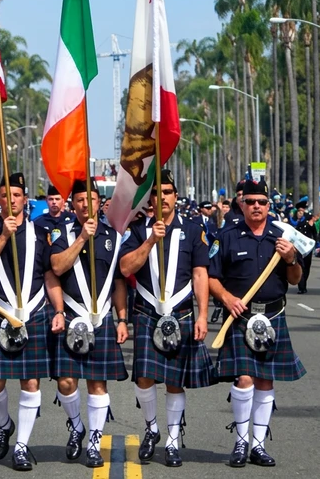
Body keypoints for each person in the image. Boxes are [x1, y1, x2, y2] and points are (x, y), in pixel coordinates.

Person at [207, 179, 305, 468]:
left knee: (265, 380)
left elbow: (296, 279)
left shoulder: (282, 236)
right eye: (250, 202)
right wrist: (226, 298)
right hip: (240, 317)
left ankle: (258, 445)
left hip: (273, 315)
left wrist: (290, 259)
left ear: (268, 205)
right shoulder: (226, 236)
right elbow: (211, 277)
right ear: (241, 204)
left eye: (261, 202)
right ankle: (240, 441)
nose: (256, 207)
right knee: (245, 378)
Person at [119, 170, 213, 467]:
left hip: (181, 311)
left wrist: (203, 316)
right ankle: (151, 429)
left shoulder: (194, 228)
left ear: (176, 196)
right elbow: (124, 268)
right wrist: (149, 241)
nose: (163, 198)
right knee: (145, 378)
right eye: (157, 193)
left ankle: (172, 440)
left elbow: (200, 274)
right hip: (147, 311)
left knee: (175, 381)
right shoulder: (137, 230)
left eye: (168, 192)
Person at [0, 173, 55, 471]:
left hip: (33, 313)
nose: (11, 200)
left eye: (16, 195)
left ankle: (21, 446)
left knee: (30, 382)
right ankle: (5, 425)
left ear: (25, 200)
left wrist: (58, 310)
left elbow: (50, 274)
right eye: (6, 195)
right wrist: (3, 236)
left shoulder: (40, 233)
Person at [49, 179, 129, 469]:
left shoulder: (115, 235)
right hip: (72, 316)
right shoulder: (62, 233)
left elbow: (119, 282)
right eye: (80, 200)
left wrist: (122, 318)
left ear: (99, 202)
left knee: (97, 383)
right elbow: (56, 267)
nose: (86, 204)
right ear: (73, 205)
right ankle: (76, 425)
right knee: (66, 382)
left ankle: (94, 443)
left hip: (103, 318)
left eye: (91, 199)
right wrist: (81, 238)